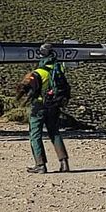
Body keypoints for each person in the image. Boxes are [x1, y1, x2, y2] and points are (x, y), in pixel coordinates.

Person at [17, 43, 71, 173]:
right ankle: (64, 164)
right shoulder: (58, 69)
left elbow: (27, 89)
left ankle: (40, 165)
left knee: (35, 135)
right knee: (54, 132)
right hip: (54, 106)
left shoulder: (38, 73)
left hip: (40, 106)